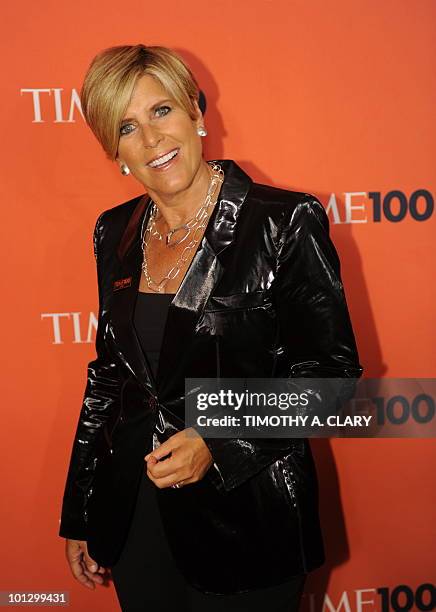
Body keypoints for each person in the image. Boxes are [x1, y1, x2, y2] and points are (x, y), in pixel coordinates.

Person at [58, 44, 363, 611]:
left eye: (162, 111)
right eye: (127, 126)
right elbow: (109, 380)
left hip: (249, 517)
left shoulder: (283, 221)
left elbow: (334, 379)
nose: (152, 140)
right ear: (113, 150)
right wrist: (83, 509)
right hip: (136, 516)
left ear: (197, 114)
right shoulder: (113, 232)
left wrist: (218, 441)